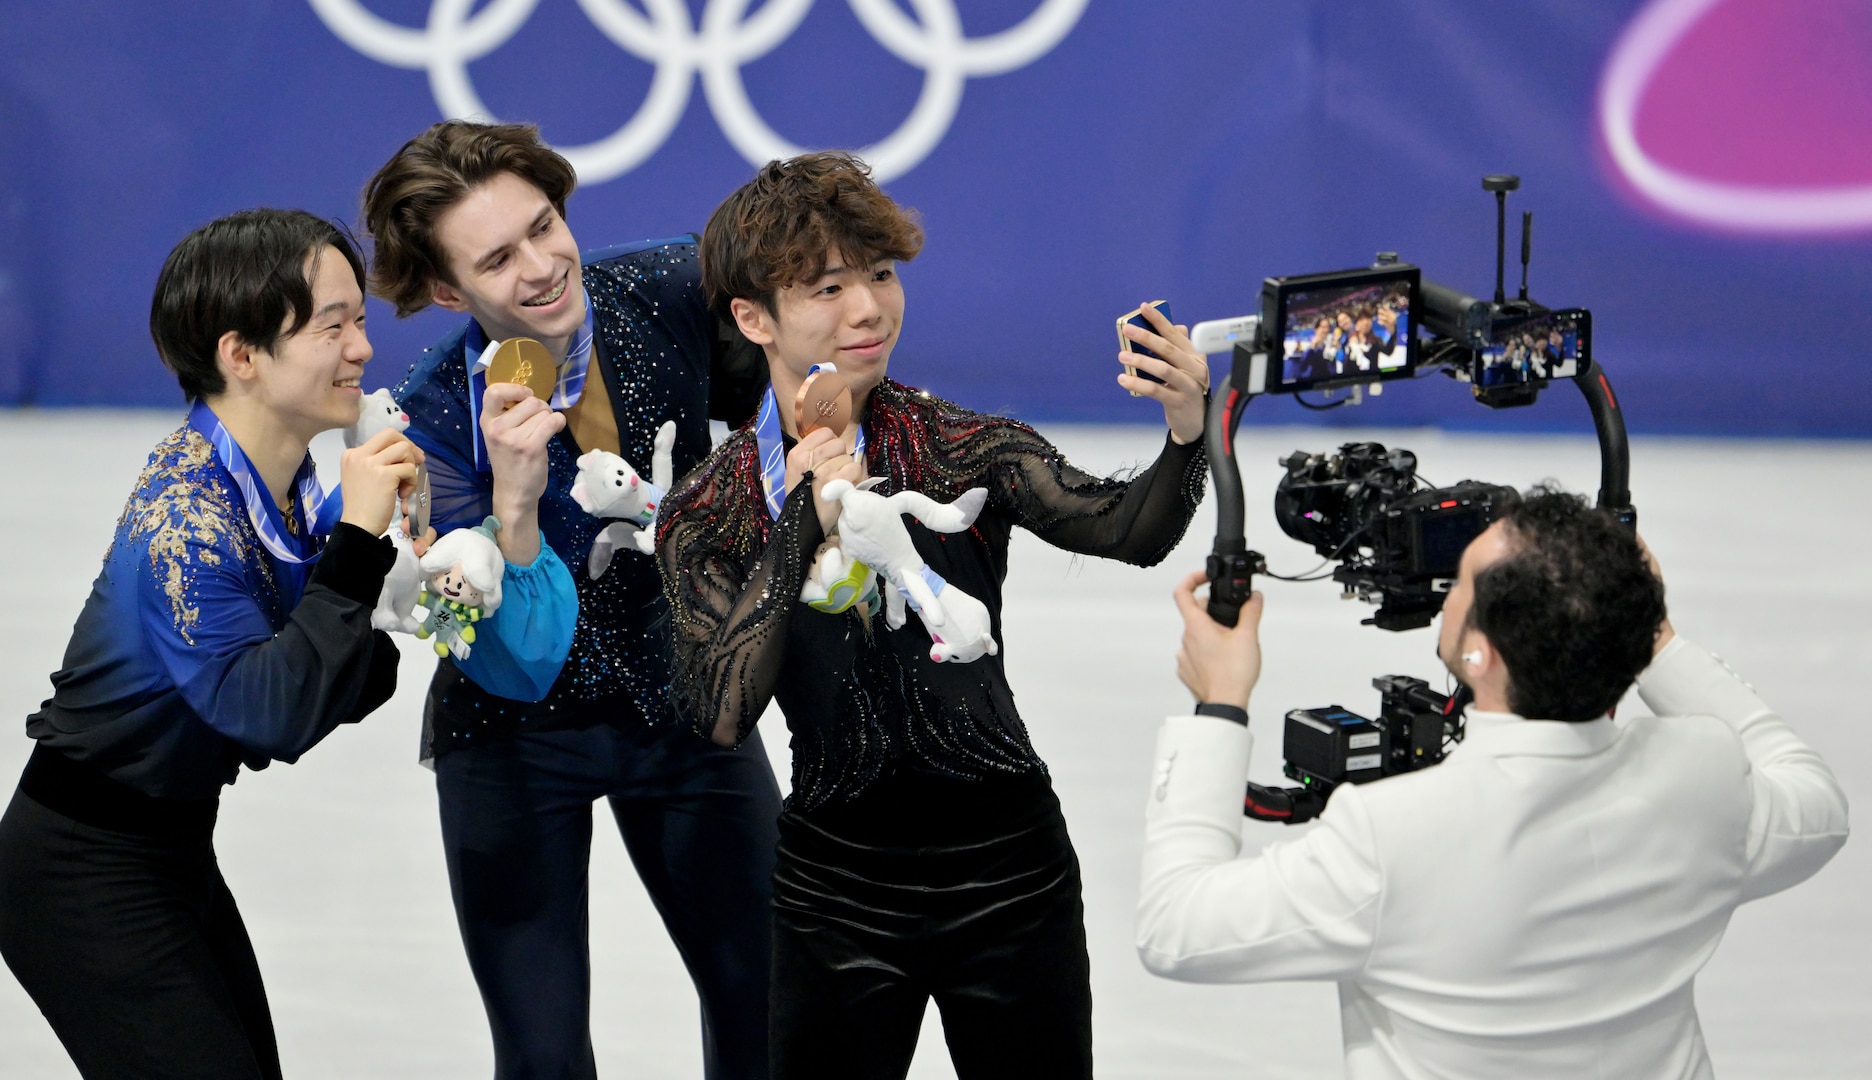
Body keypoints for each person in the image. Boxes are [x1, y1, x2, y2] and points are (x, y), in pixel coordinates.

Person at [658, 151, 1211, 1080]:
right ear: (753, 317)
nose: (868, 309)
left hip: (1009, 874)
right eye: (827, 287)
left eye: (880, 274)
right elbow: (722, 710)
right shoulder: (711, 507)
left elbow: (1130, 531)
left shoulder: (959, 447)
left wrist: (1187, 429)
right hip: (834, 894)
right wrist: (799, 519)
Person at [1139, 489, 1849, 1079]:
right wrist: (1652, 639)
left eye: (1461, 582)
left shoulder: (1390, 834)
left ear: (1480, 653)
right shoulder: (1703, 775)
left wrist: (1220, 703)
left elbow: (1177, 925)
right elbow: (1818, 804)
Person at [361, 119, 779, 1080]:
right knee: (543, 1058)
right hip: (514, 736)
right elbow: (482, 644)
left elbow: (795, 376)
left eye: (545, 226)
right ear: (446, 290)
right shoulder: (433, 422)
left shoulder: (669, 287)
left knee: (770, 1006)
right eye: (496, 259)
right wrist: (513, 508)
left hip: (684, 701)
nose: (543, 266)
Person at [0, 209, 422, 1079]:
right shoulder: (185, 520)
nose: (363, 349)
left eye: (360, 321)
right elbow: (270, 714)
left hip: (171, 851)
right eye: (332, 326)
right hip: (80, 873)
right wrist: (357, 554)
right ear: (241, 354)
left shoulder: (291, 487)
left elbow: (343, 684)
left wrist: (390, 572)